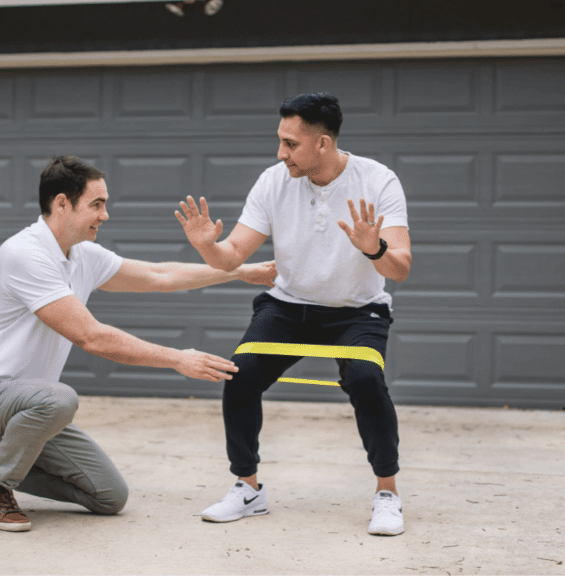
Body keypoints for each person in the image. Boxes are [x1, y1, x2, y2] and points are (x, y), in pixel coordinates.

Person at [0, 155, 277, 532]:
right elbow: (92, 337)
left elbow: (159, 275)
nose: (105, 215)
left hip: (27, 409)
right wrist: (177, 358)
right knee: (59, 398)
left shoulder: (81, 254)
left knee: (108, 496)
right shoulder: (26, 254)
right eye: (97, 204)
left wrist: (241, 271)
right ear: (61, 204)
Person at [175, 93, 411, 536]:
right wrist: (206, 244)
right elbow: (231, 258)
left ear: (322, 144)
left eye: (290, 143)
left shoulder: (378, 181)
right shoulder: (273, 181)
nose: (281, 152)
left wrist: (372, 247)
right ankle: (248, 488)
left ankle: (387, 493)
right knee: (239, 374)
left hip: (357, 311)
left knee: (365, 380)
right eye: (280, 141)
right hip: (288, 305)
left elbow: (400, 266)